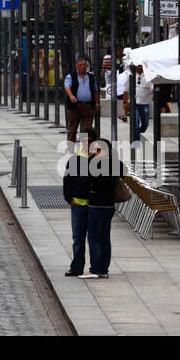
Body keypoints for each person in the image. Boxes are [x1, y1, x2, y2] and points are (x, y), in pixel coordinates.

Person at [85, 139, 123, 278]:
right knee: (105, 238)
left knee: (94, 238)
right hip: (109, 205)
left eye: (97, 150)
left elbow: (87, 180)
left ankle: (95, 269)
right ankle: (104, 269)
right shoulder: (115, 163)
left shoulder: (94, 163)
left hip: (96, 204)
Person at [62, 144, 91, 277]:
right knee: (78, 239)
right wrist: (70, 200)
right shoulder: (74, 160)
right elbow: (67, 181)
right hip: (78, 206)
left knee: (94, 239)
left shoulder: (99, 160)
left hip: (94, 207)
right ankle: (77, 267)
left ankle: (96, 267)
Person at [63, 56, 99, 142]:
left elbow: (95, 90)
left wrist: (97, 103)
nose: (83, 66)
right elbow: (67, 87)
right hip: (75, 106)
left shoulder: (91, 77)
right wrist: (71, 96)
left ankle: (86, 147)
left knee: (88, 128)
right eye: (80, 65)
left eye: (84, 65)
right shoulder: (71, 76)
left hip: (88, 106)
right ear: (76, 66)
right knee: (72, 127)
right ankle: (71, 146)